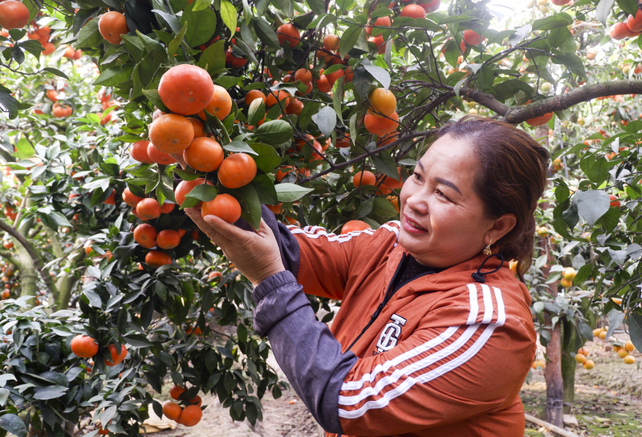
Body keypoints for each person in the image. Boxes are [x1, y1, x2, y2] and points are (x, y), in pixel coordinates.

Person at [183, 116, 550, 437]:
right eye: (418, 177)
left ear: (497, 226)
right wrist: (204, 156)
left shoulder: (489, 322)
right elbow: (291, 251)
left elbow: (346, 399)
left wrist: (268, 277)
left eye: (443, 194)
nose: (414, 200)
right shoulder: (390, 244)